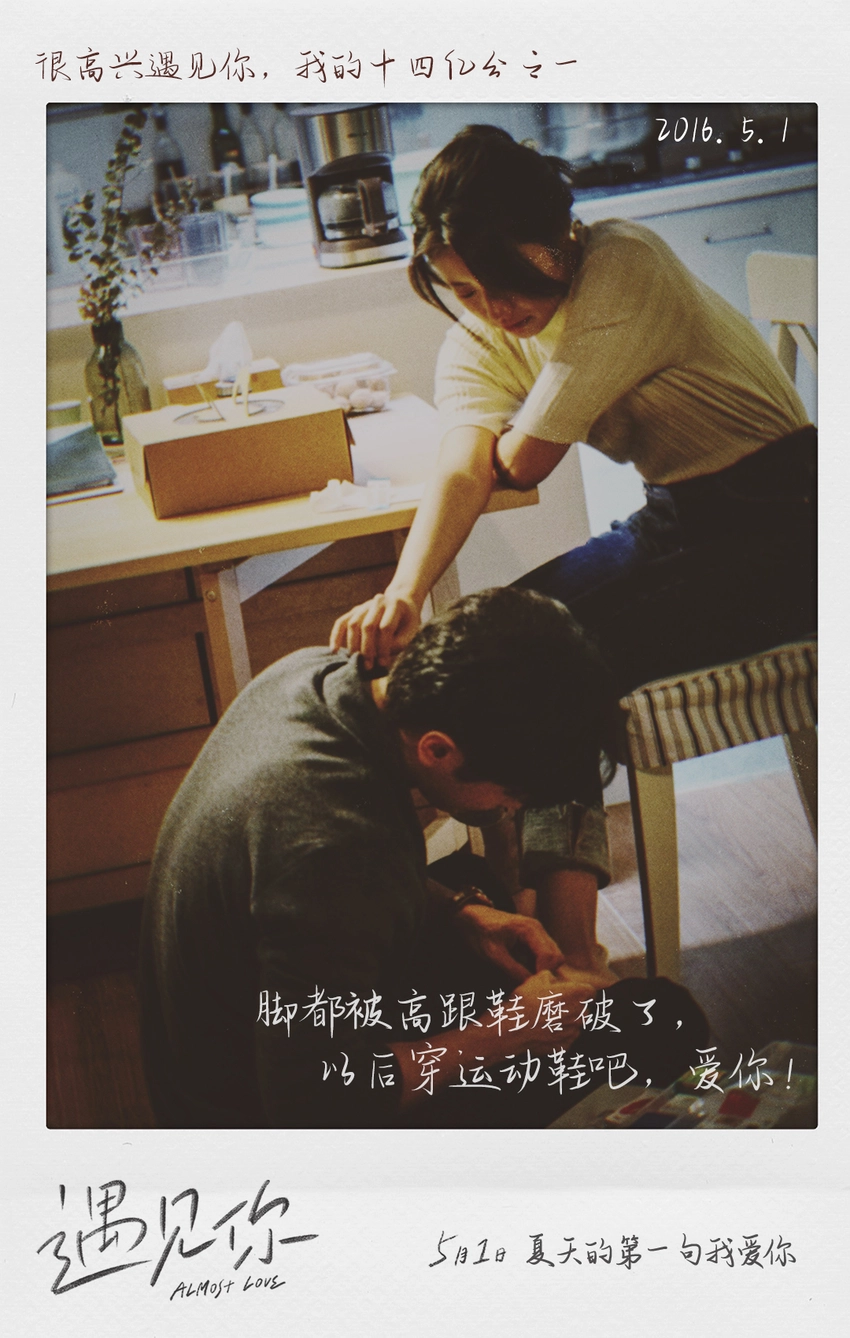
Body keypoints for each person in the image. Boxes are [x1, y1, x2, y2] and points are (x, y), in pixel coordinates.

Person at [331, 124, 816, 972]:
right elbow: (463, 465)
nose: (492, 308)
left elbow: (523, 460)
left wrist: (498, 439)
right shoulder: (481, 332)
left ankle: (573, 951)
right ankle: (530, 923)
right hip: (679, 515)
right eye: (464, 290)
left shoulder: (623, 263)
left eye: (502, 278)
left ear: (556, 237)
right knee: (497, 630)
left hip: (793, 520)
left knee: (549, 665)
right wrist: (405, 593)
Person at [140, 588, 707, 1129]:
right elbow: (316, 1104)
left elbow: (307, 888)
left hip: (220, 1040)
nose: (512, 810)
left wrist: (458, 909)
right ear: (437, 748)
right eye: (512, 795)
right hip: (256, 1120)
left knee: (476, 886)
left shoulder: (315, 673)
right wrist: (506, 1032)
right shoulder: (338, 847)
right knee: (656, 1028)